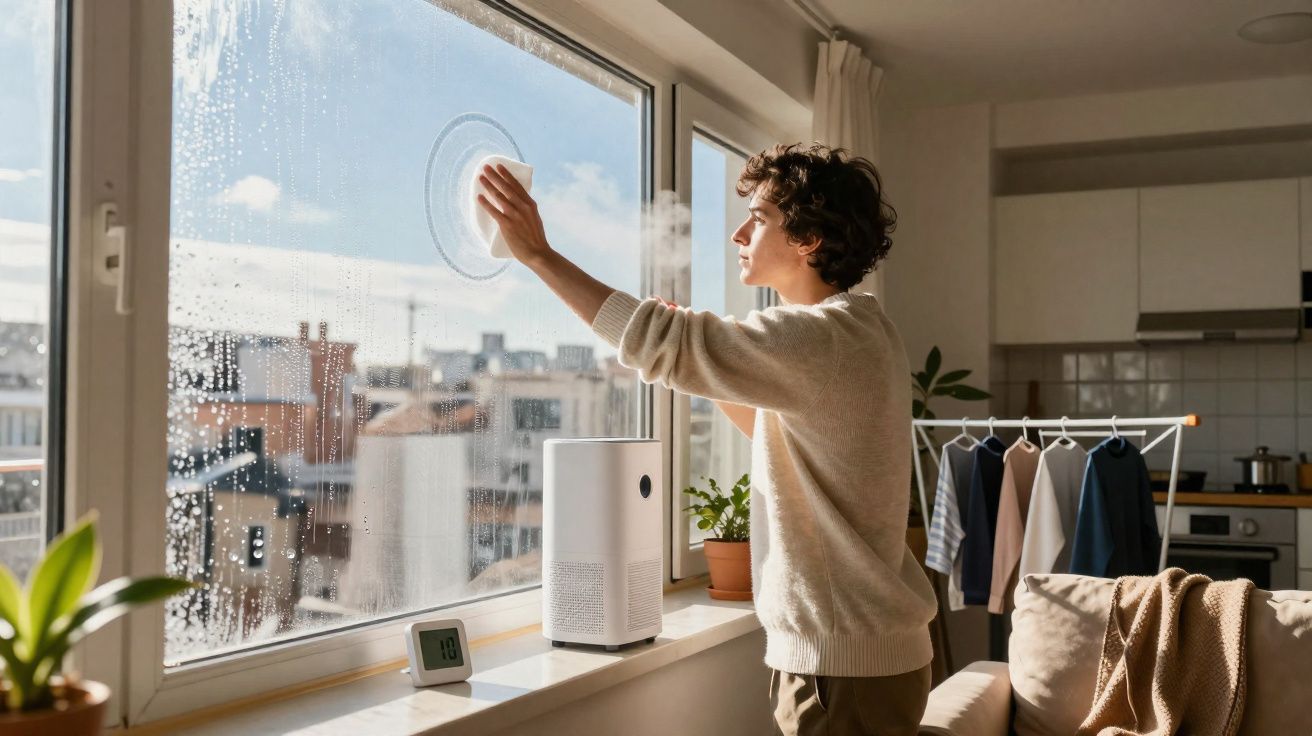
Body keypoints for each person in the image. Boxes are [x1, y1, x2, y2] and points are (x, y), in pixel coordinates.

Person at [477, 142, 938, 736]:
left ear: (808, 240)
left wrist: (538, 255)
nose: (739, 233)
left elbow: (661, 340)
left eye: (761, 217)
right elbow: (790, 436)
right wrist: (716, 377)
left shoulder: (816, 338)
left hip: (841, 669)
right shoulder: (865, 329)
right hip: (868, 657)